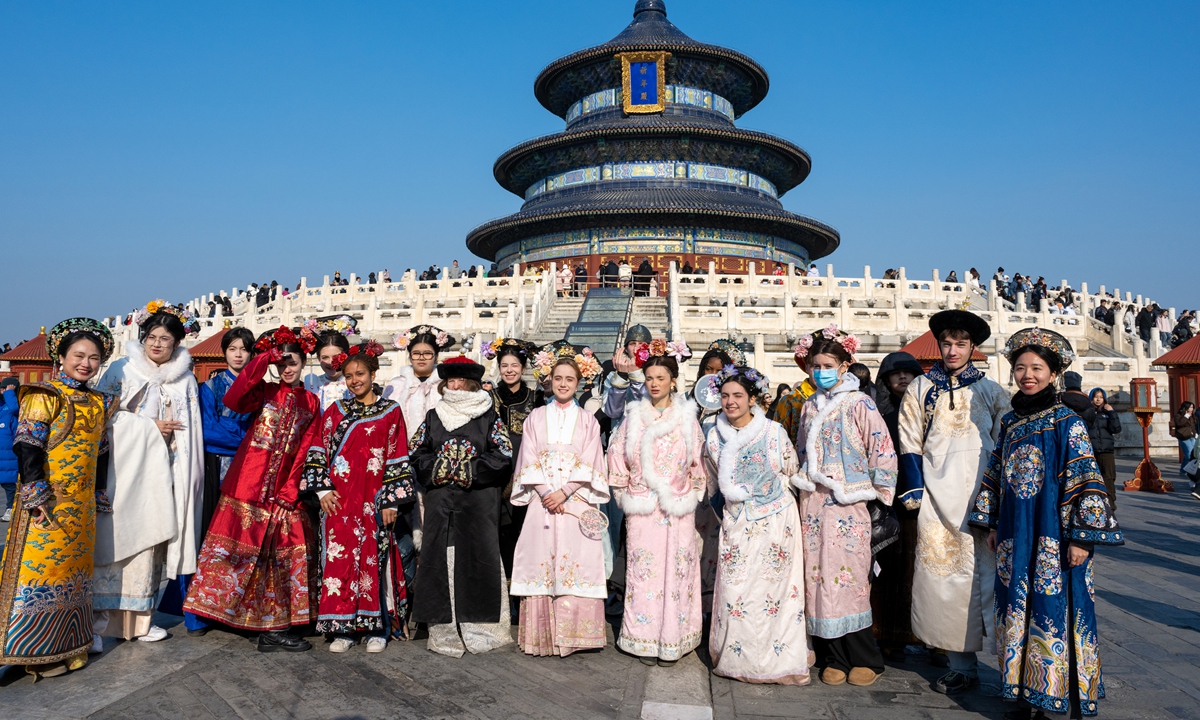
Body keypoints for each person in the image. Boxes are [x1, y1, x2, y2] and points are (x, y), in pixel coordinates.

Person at [969, 328, 1123, 719]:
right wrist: (990, 524)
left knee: (1052, 609)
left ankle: (1051, 694)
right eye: (1020, 368)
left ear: (1054, 373)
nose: (1027, 375)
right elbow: (995, 474)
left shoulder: (1066, 422)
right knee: (1015, 607)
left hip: (1054, 535)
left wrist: (1081, 539)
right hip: (1013, 535)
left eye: (1037, 368)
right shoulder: (1010, 424)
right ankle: (1020, 692)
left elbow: (1086, 480)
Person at [183, 326, 321, 652]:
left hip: (285, 493)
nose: (287, 369)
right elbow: (234, 398)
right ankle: (240, 618)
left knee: (285, 555)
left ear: (303, 364)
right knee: (241, 556)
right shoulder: (265, 391)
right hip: (247, 486)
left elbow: (306, 448)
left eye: (293, 363)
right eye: (282, 363)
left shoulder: (312, 402)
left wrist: (291, 489)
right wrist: (261, 361)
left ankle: (277, 624)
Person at [897, 310, 1011, 695]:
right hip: (937, 494)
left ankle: (1008, 665)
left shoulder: (991, 391)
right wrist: (915, 491)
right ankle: (960, 665)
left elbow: (1006, 444)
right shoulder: (920, 388)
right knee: (945, 581)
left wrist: (1000, 493)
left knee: (993, 579)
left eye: (961, 344)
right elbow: (909, 441)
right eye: (947, 343)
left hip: (984, 496)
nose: (952, 350)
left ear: (972, 348)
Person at [0, 319, 116, 678]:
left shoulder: (99, 403)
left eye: (94, 357)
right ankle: (16, 650)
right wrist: (35, 494)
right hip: (47, 505)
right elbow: (28, 445)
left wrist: (97, 492)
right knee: (33, 575)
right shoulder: (45, 395)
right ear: (61, 357)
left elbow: (100, 452)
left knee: (75, 577)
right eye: (78, 355)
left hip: (80, 510)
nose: (86, 363)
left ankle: (65, 647)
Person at [93, 302, 204, 644]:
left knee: (151, 546)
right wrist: (149, 427)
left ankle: (142, 620)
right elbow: (101, 421)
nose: (157, 344)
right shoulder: (121, 371)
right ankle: (97, 624)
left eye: (166, 339)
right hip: (124, 473)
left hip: (166, 473)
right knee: (115, 545)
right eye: (152, 337)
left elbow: (191, 433)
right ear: (142, 339)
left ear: (176, 344)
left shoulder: (184, 379)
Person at [792, 326, 897, 687]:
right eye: (815, 364)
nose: (820, 370)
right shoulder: (808, 405)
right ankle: (833, 655)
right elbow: (803, 451)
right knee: (817, 580)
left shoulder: (861, 403)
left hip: (850, 504)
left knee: (850, 580)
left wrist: (880, 499)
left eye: (827, 364)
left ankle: (866, 657)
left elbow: (882, 451)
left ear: (844, 365)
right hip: (814, 503)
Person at [302, 341, 416, 653]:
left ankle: (377, 627)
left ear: (373, 373)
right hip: (340, 501)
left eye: (360, 374)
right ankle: (343, 630)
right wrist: (323, 490)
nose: (355, 380)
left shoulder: (391, 412)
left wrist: (392, 500)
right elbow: (316, 450)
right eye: (349, 375)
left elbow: (397, 454)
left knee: (375, 562)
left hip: (375, 500)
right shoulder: (335, 411)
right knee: (338, 562)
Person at [705, 364, 811, 685]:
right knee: (734, 590)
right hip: (737, 519)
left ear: (752, 399)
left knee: (773, 593)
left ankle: (778, 663)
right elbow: (712, 482)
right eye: (725, 396)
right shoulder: (713, 436)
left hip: (776, 519)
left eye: (738, 395)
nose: (730, 402)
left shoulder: (773, 432)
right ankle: (737, 660)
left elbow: (790, 470)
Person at [408, 355, 514, 657]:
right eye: (450, 381)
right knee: (441, 560)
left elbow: (503, 456)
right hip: (442, 501)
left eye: (459, 381)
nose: (454, 386)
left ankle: (482, 628)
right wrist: (442, 468)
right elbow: (416, 453)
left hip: (479, 501)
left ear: (470, 384)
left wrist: (468, 471)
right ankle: (445, 632)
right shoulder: (433, 415)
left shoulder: (488, 416)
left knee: (480, 558)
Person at [607, 347, 706, 666]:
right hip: (643, 507)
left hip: (678, 507)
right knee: (644, 572)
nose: (654, 383)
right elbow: (617, 455)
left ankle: (675, 638)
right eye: (649, 377)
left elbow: (698, 461)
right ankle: (643, 639)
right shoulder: (634, 417)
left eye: (660, 378)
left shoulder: (687, 418)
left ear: (673, 381)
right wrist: (625, 492)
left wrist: (690, 491)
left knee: (676, 572)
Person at [509, 356, 609, 657]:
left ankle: (577, 636)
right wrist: (544, 492)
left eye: (570, 379)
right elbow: (527, 457)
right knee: (542, 558)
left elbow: (592, 460)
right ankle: (543, 637)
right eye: (558, 378)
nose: (563, 384)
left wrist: (565, 492)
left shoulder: (589, 421)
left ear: (579, 384)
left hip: (575, 501)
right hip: (543, 503)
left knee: (577, 560)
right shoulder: (535, 418)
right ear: (549, 380)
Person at [382, 325, 456, 583]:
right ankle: (405, 598)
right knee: (401, 534)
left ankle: (432, 598)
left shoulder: (447, 386)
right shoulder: (395, 386)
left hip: (437, 467)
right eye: (416, 353)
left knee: (436, 532)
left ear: (437, 355)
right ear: (409, 355)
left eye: (427, 353)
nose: (422, 358)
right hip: (401, 465)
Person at [869, 351, 925, 662]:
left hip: (926, 501)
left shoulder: (931, 412)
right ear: (885, 379)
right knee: (889, 571)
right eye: (895, 373)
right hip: (888, 503)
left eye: (909, 373)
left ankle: (934, 640)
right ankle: (888, 635)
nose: (902, 378)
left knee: (924, 570)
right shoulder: (876, 414)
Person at [482, 338, 545, 584]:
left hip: (527, 470)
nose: (509, 370)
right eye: (504, 365)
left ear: (523, 367)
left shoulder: (536, 398)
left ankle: (526, 583)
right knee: (498, 529)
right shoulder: (488, 397)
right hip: (496, 473)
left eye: (515, 365)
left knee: (524, 528)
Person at [771, 341, 819, 444]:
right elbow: (778, 442)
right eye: (816, 366)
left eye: (829, 366)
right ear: (806, 367)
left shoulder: (847, 399)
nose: (822, 371)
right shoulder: (789, 401)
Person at [304, 324, 354, 411]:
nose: (331, 362)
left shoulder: (356, 383)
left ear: (346, 356)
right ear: (319, 359)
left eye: (336, 357)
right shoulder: (313, 385)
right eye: (325, 357)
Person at [1086, 388, 1122, 510]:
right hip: (1092, 450)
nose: (1098, 399)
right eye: (1096, 397)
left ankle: (1110, 501)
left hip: (1106, 450)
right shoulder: (1088, 413)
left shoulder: (1108, 412)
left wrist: (1112, 413)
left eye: (1101, 397)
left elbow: (1116, 429)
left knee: (1109, 477)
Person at [0, 376, 18, 522]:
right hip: (2, 452)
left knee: (9, 485)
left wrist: (9, 393)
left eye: (5, 388)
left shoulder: (13, 407)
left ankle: (10, 508)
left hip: (9, 455)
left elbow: (14, 408)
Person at [1172, 401, 1197, 478]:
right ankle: (1185, 470)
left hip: (1191, 436)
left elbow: (1192, 426)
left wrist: (1195, 433)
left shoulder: (1192, 415)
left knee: (1191, 454)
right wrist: (1186, 416)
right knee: (1189, 454)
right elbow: (1180, 423)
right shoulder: (1178, 415)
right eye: (1190, 407)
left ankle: (1183, 469)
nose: (1192, 409)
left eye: (1192, 407)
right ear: (1185, 407)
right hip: (1183, 437)